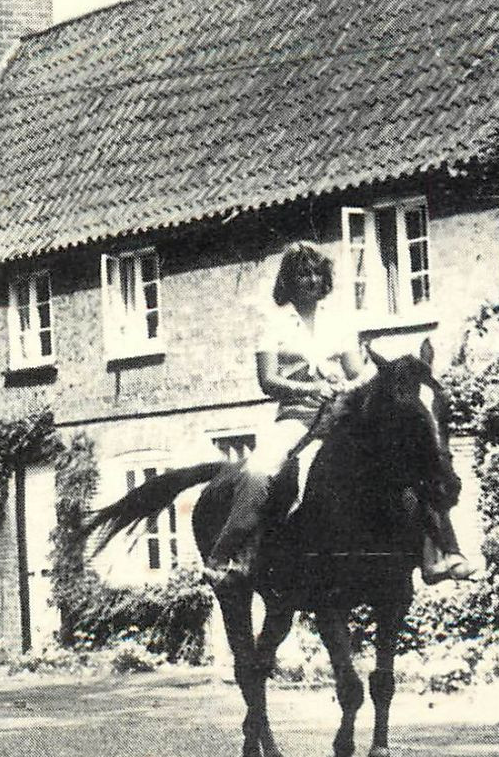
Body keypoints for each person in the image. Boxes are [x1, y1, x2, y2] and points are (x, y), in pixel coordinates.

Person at [204, 242, 475, 583]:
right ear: (289, 280)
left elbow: (356, 371)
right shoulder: (274, 325)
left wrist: (358, 381)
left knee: (401, 461)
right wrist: (308, 388)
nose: (311, 280)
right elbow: (268, 380)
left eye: (317, 273)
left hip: (341, 414)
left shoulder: (341, 323)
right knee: (259, 472)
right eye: (303, 273)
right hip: (296, 417)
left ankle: (439, 553)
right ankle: (230, 556)